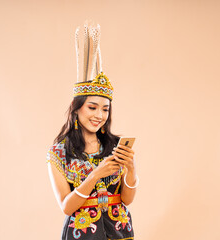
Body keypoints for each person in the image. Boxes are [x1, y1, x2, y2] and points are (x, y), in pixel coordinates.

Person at [46, 22, 139, 240]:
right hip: (82, 234)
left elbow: (126, 200)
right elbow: (67, 207)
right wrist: (96, 175)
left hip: (120, 231)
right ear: (76, 108)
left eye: (105, 109)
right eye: (92, 107)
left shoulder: (116, 147)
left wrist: (132, 170)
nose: (99, 115)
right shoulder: (58, 154)